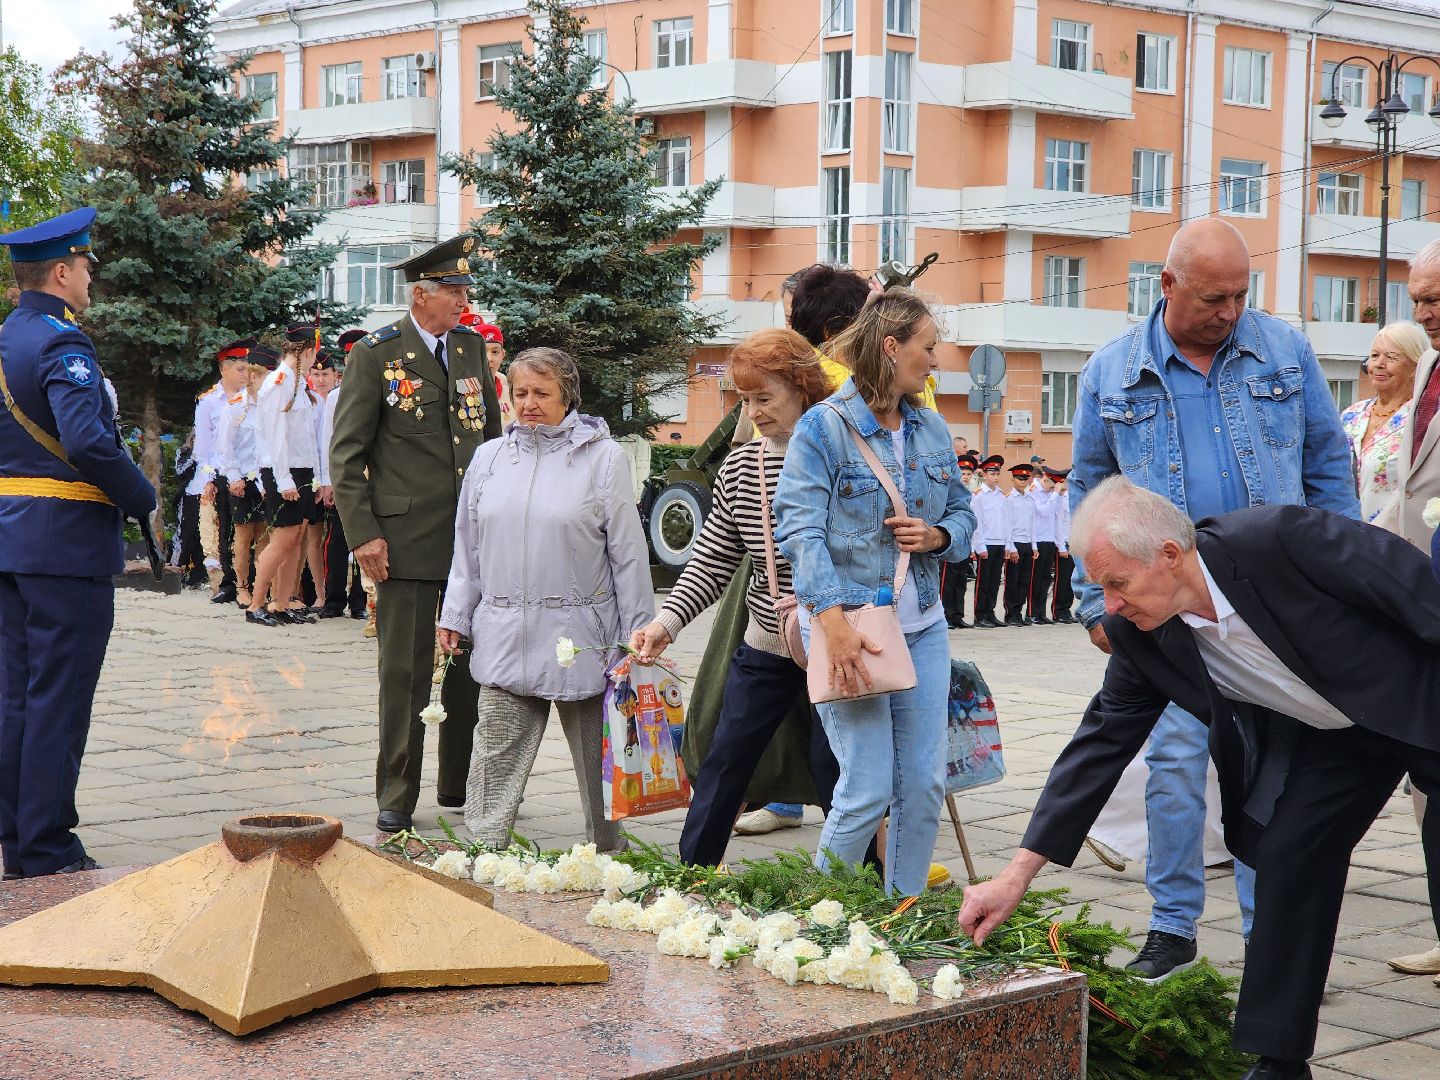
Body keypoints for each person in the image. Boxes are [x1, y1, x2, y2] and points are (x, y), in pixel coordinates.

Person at [958, 476, 1440, 1080]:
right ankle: (1278, 1059)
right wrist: (1014, 876)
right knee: (1291, 856)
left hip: (1422, 697)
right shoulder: (1144, 636)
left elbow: (1415, 588)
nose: (1108, 606)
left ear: (1169, 555)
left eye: (1116, 583)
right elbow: (1098, 746)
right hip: (1338, 737)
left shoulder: (1279, 539)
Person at [1067, 217, 1358, 982]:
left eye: (1240, 294)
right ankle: (1172, 930)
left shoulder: (1283, 349)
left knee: (1277, 774)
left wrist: (1344, 574)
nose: (1230, 312)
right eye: (1212, 298)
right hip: (1165, 603)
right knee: (1171, 768)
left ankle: (1272, 943)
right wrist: (1093, 602)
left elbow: (1329, 464)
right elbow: (1089, 490)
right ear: (1167, 286)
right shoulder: (1110, 370)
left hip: (1273, 606)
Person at [773, 288, 976, 897]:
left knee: (922, 786)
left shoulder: (933, 429)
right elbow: (799, 530)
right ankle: (818, 924)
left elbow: (965, 518)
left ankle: (902, 915)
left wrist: (937, 534)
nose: (935, 361)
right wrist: (829, 621)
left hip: (922, 627)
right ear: (891, 348)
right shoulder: (823, 429)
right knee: (865, 788)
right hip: (849, 625)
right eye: (928, 348)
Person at [628, 329, 843, 865]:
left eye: (764, 398)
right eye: (744, 400)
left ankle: (861, 887)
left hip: (836, 640)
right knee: (724, 757)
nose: (754, 411)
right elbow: (714, 557)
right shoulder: (741, 466)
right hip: (767, 639)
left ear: (803, 388)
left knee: (836, 766)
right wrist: (667, 622)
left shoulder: (843, 455)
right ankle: (693, 873)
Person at [438, 347, 653, 851]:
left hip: (582, 639)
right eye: (520, 393)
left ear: (567, 397)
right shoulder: (489, 457)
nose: (528, 403)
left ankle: (608, 852)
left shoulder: (604, 459)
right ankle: (483, 850)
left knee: (596, 759)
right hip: (504, 632)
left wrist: (639, 633)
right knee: (494, 752)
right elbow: (466, 547)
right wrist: (455, 616)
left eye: (542, 393)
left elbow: (628, 554)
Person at [0, 207, 157, 878]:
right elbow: (89, 441)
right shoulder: (65, 344)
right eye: (86, 265)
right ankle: (46, 846)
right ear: (62, 271)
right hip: (64, 549)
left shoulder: (9, 334)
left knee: (16, 695)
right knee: (59, 699)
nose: (92, 276)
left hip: (11, 543)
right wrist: (141, 496)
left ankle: (16, 833)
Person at [330, 234, 503, 835]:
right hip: (401, 542)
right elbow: (347, 456)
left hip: (470, 540)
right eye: (453, 290)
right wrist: (363, 536)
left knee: (468, 669)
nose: (463, 300)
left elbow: (493, 446)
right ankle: (397, 794)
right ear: (420, 294)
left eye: (463, 290)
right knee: (404, 672)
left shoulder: (471, 350)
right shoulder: (377, 354)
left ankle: (457, 785)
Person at [1374, 242, 1440, 979]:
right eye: (1418, 301)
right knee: (1431, 783)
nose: (1424, 315)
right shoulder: (1430, 368)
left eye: (1436, 301)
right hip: (1420, 599)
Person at [244, 325, 322, 627]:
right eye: (315, 349)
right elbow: (274, 437)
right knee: (281, 540)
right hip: (283, 470)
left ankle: (281, 602)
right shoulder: (278, 383)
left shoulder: (296, 382)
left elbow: (305, 437)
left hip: (301, 470)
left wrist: (314, 478)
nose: (317, 356)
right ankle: (256, 603)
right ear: (305, 350)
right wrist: (284, 480)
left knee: (296, 539)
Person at [1340, 322, 1428, 522]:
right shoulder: (1351, 415)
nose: (1379, 364)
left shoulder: (1422, 420)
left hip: (1395, 539)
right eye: (1374, 356)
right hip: (1345, 536)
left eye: (1391, 357)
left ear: (1416, 367)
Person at [316, 329, 369, 621]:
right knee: (337, 540)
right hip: (344, 477)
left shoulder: (379, 388)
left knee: (367, 536)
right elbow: (328, 440)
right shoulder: (336, 397)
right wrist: (328, 481)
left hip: (371, 476)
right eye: (350, 356)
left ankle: (360, 601)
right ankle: (334, 600)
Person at [198, 341, 252, 605]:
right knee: (226, 529)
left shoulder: (252, 398)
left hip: (249, 471)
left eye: (247, 369)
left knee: (248, 528)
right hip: (222, 473)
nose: (245, 375)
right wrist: (208, 478)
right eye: (240, 369)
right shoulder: (209, 402)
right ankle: (228, 582)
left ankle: (248, 580)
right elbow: (204, 446)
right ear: (224, 370)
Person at [221, 344, 274, 608]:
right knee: (243, 536)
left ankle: (260, 588)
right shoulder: (234, 406)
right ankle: (241, 586)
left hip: (264, 480)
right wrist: (233, 477)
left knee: (265, 535)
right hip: (241, 479)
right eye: (261, 375)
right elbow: (226, 448)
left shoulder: (268, 406)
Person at [969, 455, 1009, 628]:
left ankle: (990, 612)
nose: (996, 477)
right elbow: (976, 523)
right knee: (983, 582)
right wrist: (980, 546)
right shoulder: (979, 496)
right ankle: (980, 615)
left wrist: (1008, 544)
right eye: (992, 473)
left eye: (997, 473)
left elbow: (1006, 521)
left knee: (994, 582)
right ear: (984, 475)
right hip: (986, 543)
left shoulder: (1001, 495)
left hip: (999, 542)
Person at [940, 456, 977, 629]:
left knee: (960, 582)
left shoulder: (972, 493)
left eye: (969, 473)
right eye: (962, 473)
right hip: (950, 541)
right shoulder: (951, 494)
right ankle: (945, 614)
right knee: (947, 581)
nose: (966, 476)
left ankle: (957, 615)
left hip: (966, 543)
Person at [1002, 463, 1036, 627]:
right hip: (1015, 544)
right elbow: (1007, 525)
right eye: (1019, 478)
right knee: (1012, 581)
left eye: (1025, 478)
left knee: (1024, 581)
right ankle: (1010, 614)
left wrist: (1034, 546)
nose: (1023, 481)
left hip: (1027, 544)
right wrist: (1011, 547)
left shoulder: (1030, 499)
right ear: (1013, 479)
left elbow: (1032, 524)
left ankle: (1019, 613)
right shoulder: (1009, 499)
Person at [1027, 467, 1061, 624]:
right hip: (1037, 540)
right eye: (1052, 486)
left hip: (1050, 539)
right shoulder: (1034, 490)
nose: (1053, 490)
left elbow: (1057, 517)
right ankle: (1032, 612)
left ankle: (1041, 612)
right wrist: (1055, 495)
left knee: (1046, 579)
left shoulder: (1051, 493)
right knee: (1036, 579)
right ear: (1046, 480)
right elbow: (1043, 511)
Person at [1048, 469, 1076, 623]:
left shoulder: (1075, 497)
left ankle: (1066, 608)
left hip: (1074, 542)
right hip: (1063, 543)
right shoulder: (1061, 498)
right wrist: (1061, 546)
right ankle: (1058, 610)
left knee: (1071, 580)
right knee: (1062, 579)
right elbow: (1057, 524)